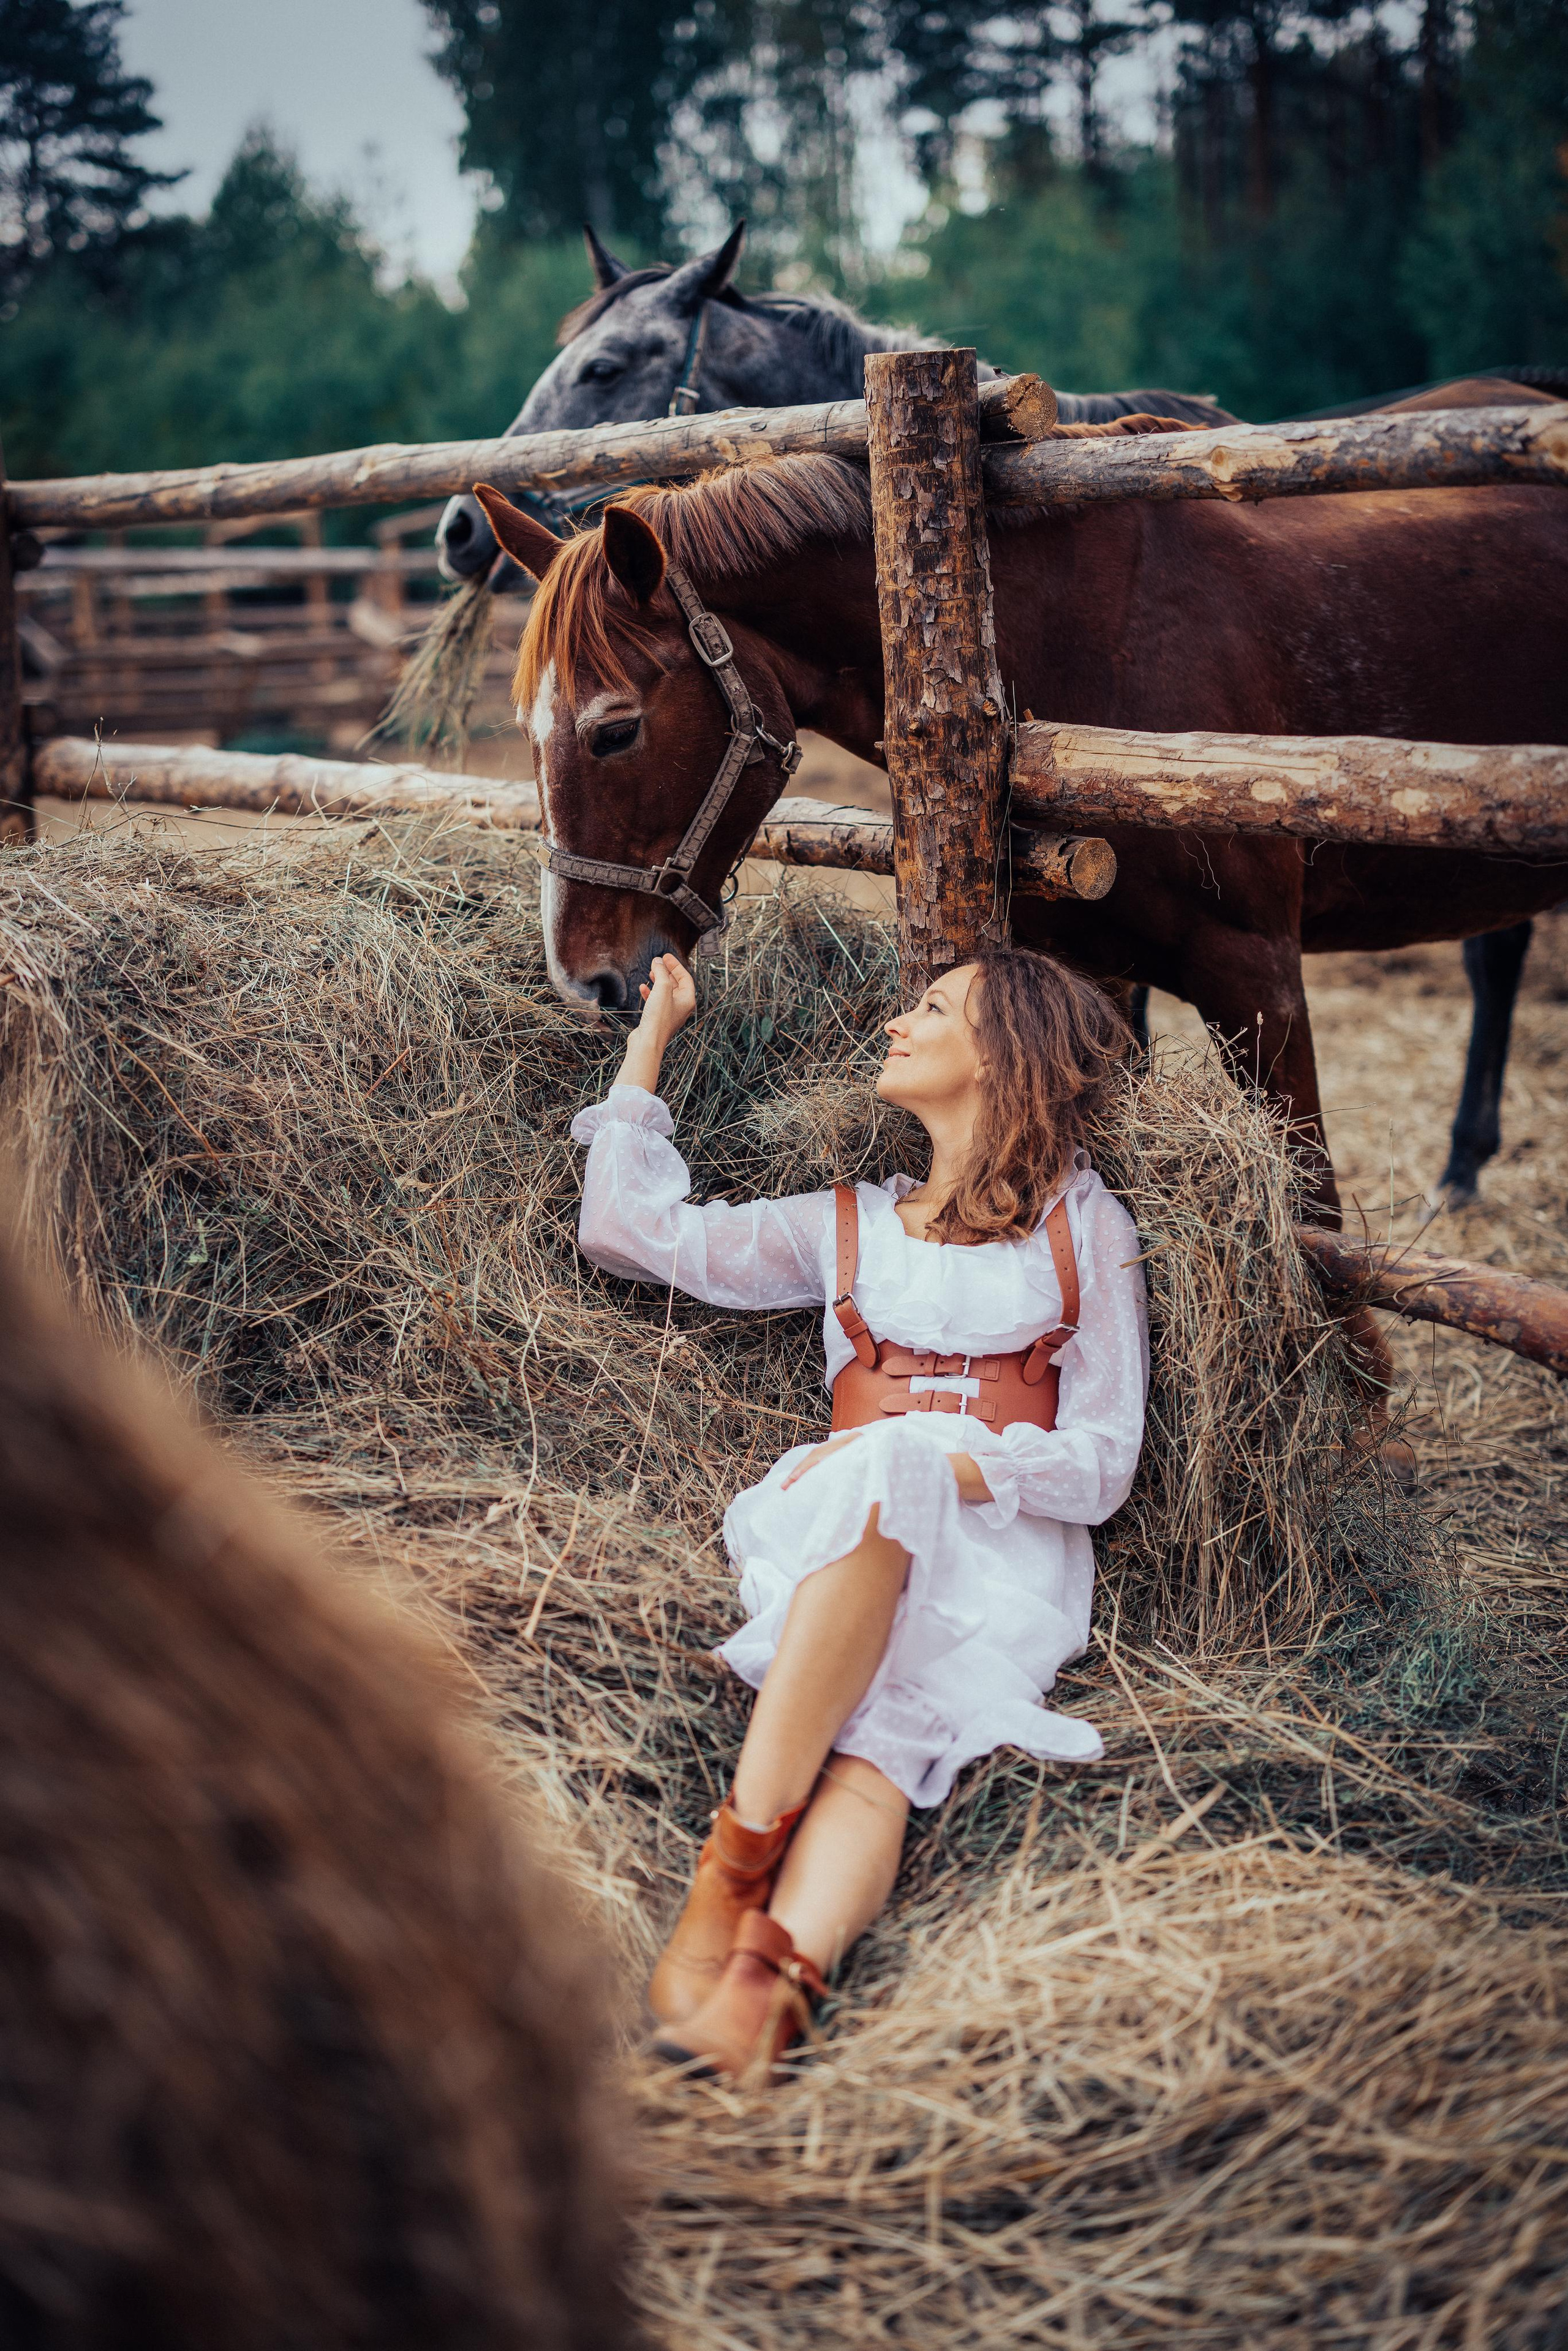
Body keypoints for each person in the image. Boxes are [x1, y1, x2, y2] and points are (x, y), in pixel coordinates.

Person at [571, 945, 1149, 2085]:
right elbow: (632, 1233)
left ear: (1000, 1053)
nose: (897, 1022)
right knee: (884, 1490)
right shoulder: (849, 1225)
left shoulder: (1087, 1230)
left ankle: (761, 1986)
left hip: (1003, 1556)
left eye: (931, 1009)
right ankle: (734, 1893)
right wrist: (655, 1035)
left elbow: (1104, 1462)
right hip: (842, 1519)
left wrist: (954, 1467)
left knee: (887, 1737)